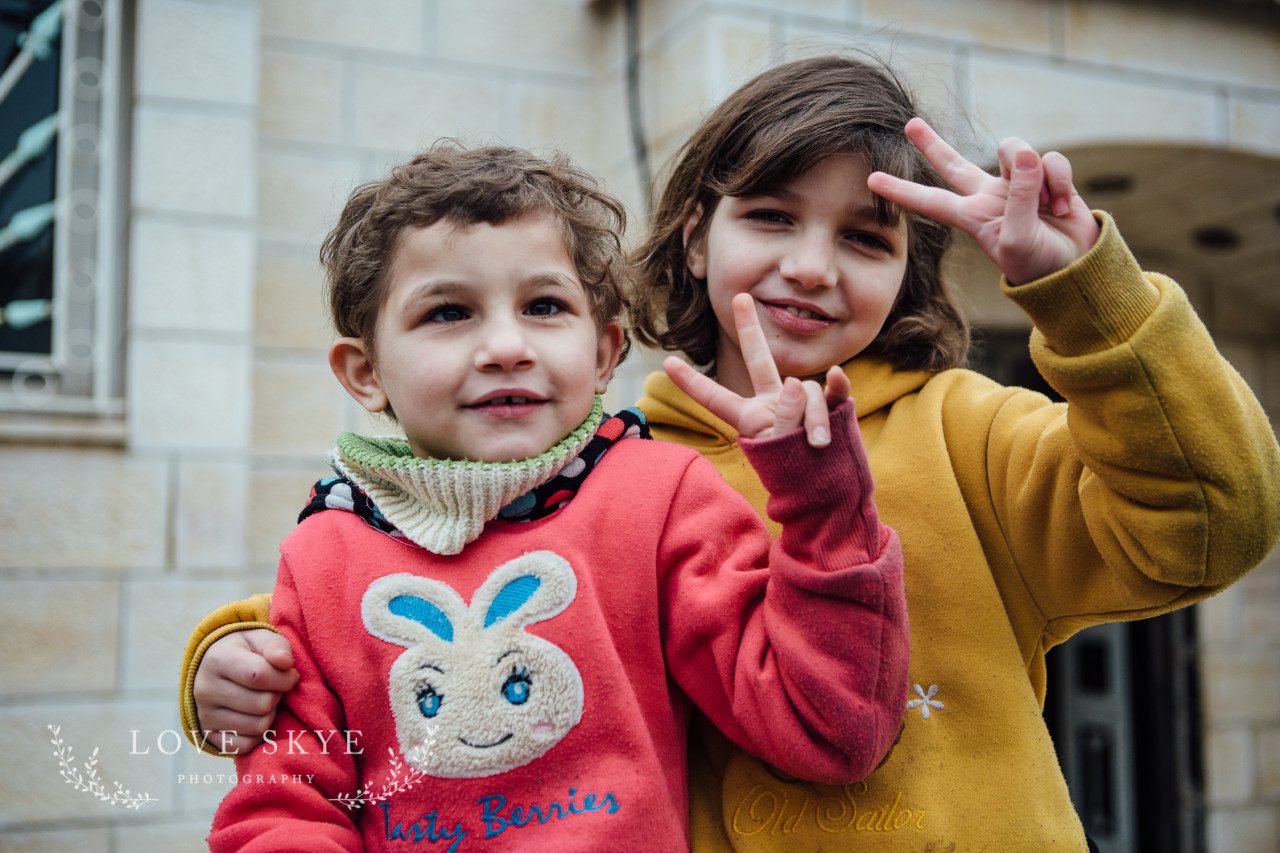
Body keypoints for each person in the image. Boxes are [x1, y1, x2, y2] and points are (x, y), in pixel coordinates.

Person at [187, 55, 1280, 850]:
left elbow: (1208, 520)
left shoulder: (965, 429)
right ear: (697, 233)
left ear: (908, 272)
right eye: (770, 215)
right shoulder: (613, 463)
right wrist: (231, 655)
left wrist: (1085, 293)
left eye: (864, 235)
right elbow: (410, 578)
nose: (811, 266)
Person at [205, 142, 909, 850]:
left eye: (544, 305)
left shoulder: (660, 498)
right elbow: (285, 805)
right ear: (365, 373)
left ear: (604, 354)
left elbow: (830, 730)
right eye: (449, 313)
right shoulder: (323, 553)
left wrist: (822, 508)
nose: (506, 346)